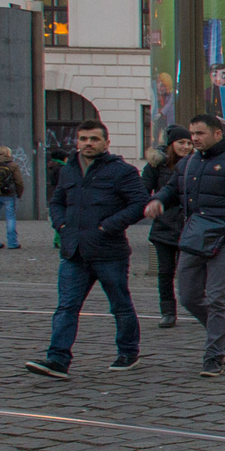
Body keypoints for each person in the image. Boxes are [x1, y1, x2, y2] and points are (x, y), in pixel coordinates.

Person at [25, 120, 148, 378]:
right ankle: (57, 359)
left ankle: (128, 352)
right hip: (74, 252)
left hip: (109, 252)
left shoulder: (122, 171)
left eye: (93, 139)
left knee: (120, 305)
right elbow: (57, 201)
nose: (88, 143)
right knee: (66, 307)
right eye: (83, 139)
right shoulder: (69, 170)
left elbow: (138, 204)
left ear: (106, 142)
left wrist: (108, 226)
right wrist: (60, 224)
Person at [143, 112, 225, 377]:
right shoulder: (187, 164)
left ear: (217, 134)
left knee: (218, 298)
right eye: (192, 134)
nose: (194, 139)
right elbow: (173, 190)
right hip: (194, 237)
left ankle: (214, 355)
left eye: (199, 134)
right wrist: (159, 200)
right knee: (188, 296)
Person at [140, 134, 194, 327]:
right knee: (165, 271)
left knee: (189, 271)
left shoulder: (196, 163)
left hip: (190, 226)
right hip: (164, 225)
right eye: (181, 142)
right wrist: (152, 205)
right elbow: (143, 190)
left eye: (189, 143)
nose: (186, 146)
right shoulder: (156, 166)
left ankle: (195, 305)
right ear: (172, 144)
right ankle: (168, 311)